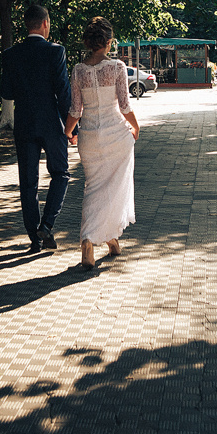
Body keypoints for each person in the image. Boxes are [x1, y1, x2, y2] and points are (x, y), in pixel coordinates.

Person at [64, 17, 139, 270]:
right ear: (108, 42)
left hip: (89, 137)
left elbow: (75, 110)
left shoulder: (78, 70)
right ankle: (104, 236)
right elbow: (124, 105)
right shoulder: (117, 67)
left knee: (93, 187)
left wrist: (68, 132)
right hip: (116, 134)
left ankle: (94, 241)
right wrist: (136, 127)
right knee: (116, 186)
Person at [0, 5, 73, 254]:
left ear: (26, 25)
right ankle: (47, 225)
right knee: (60, 174)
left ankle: (35, 238)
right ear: (44, 24)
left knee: (28, 183)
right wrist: (72, 127)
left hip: (24, 124)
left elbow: (6, 93)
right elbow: (63, 92)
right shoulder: (56, 51)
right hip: (52, 124)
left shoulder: (11, 54)